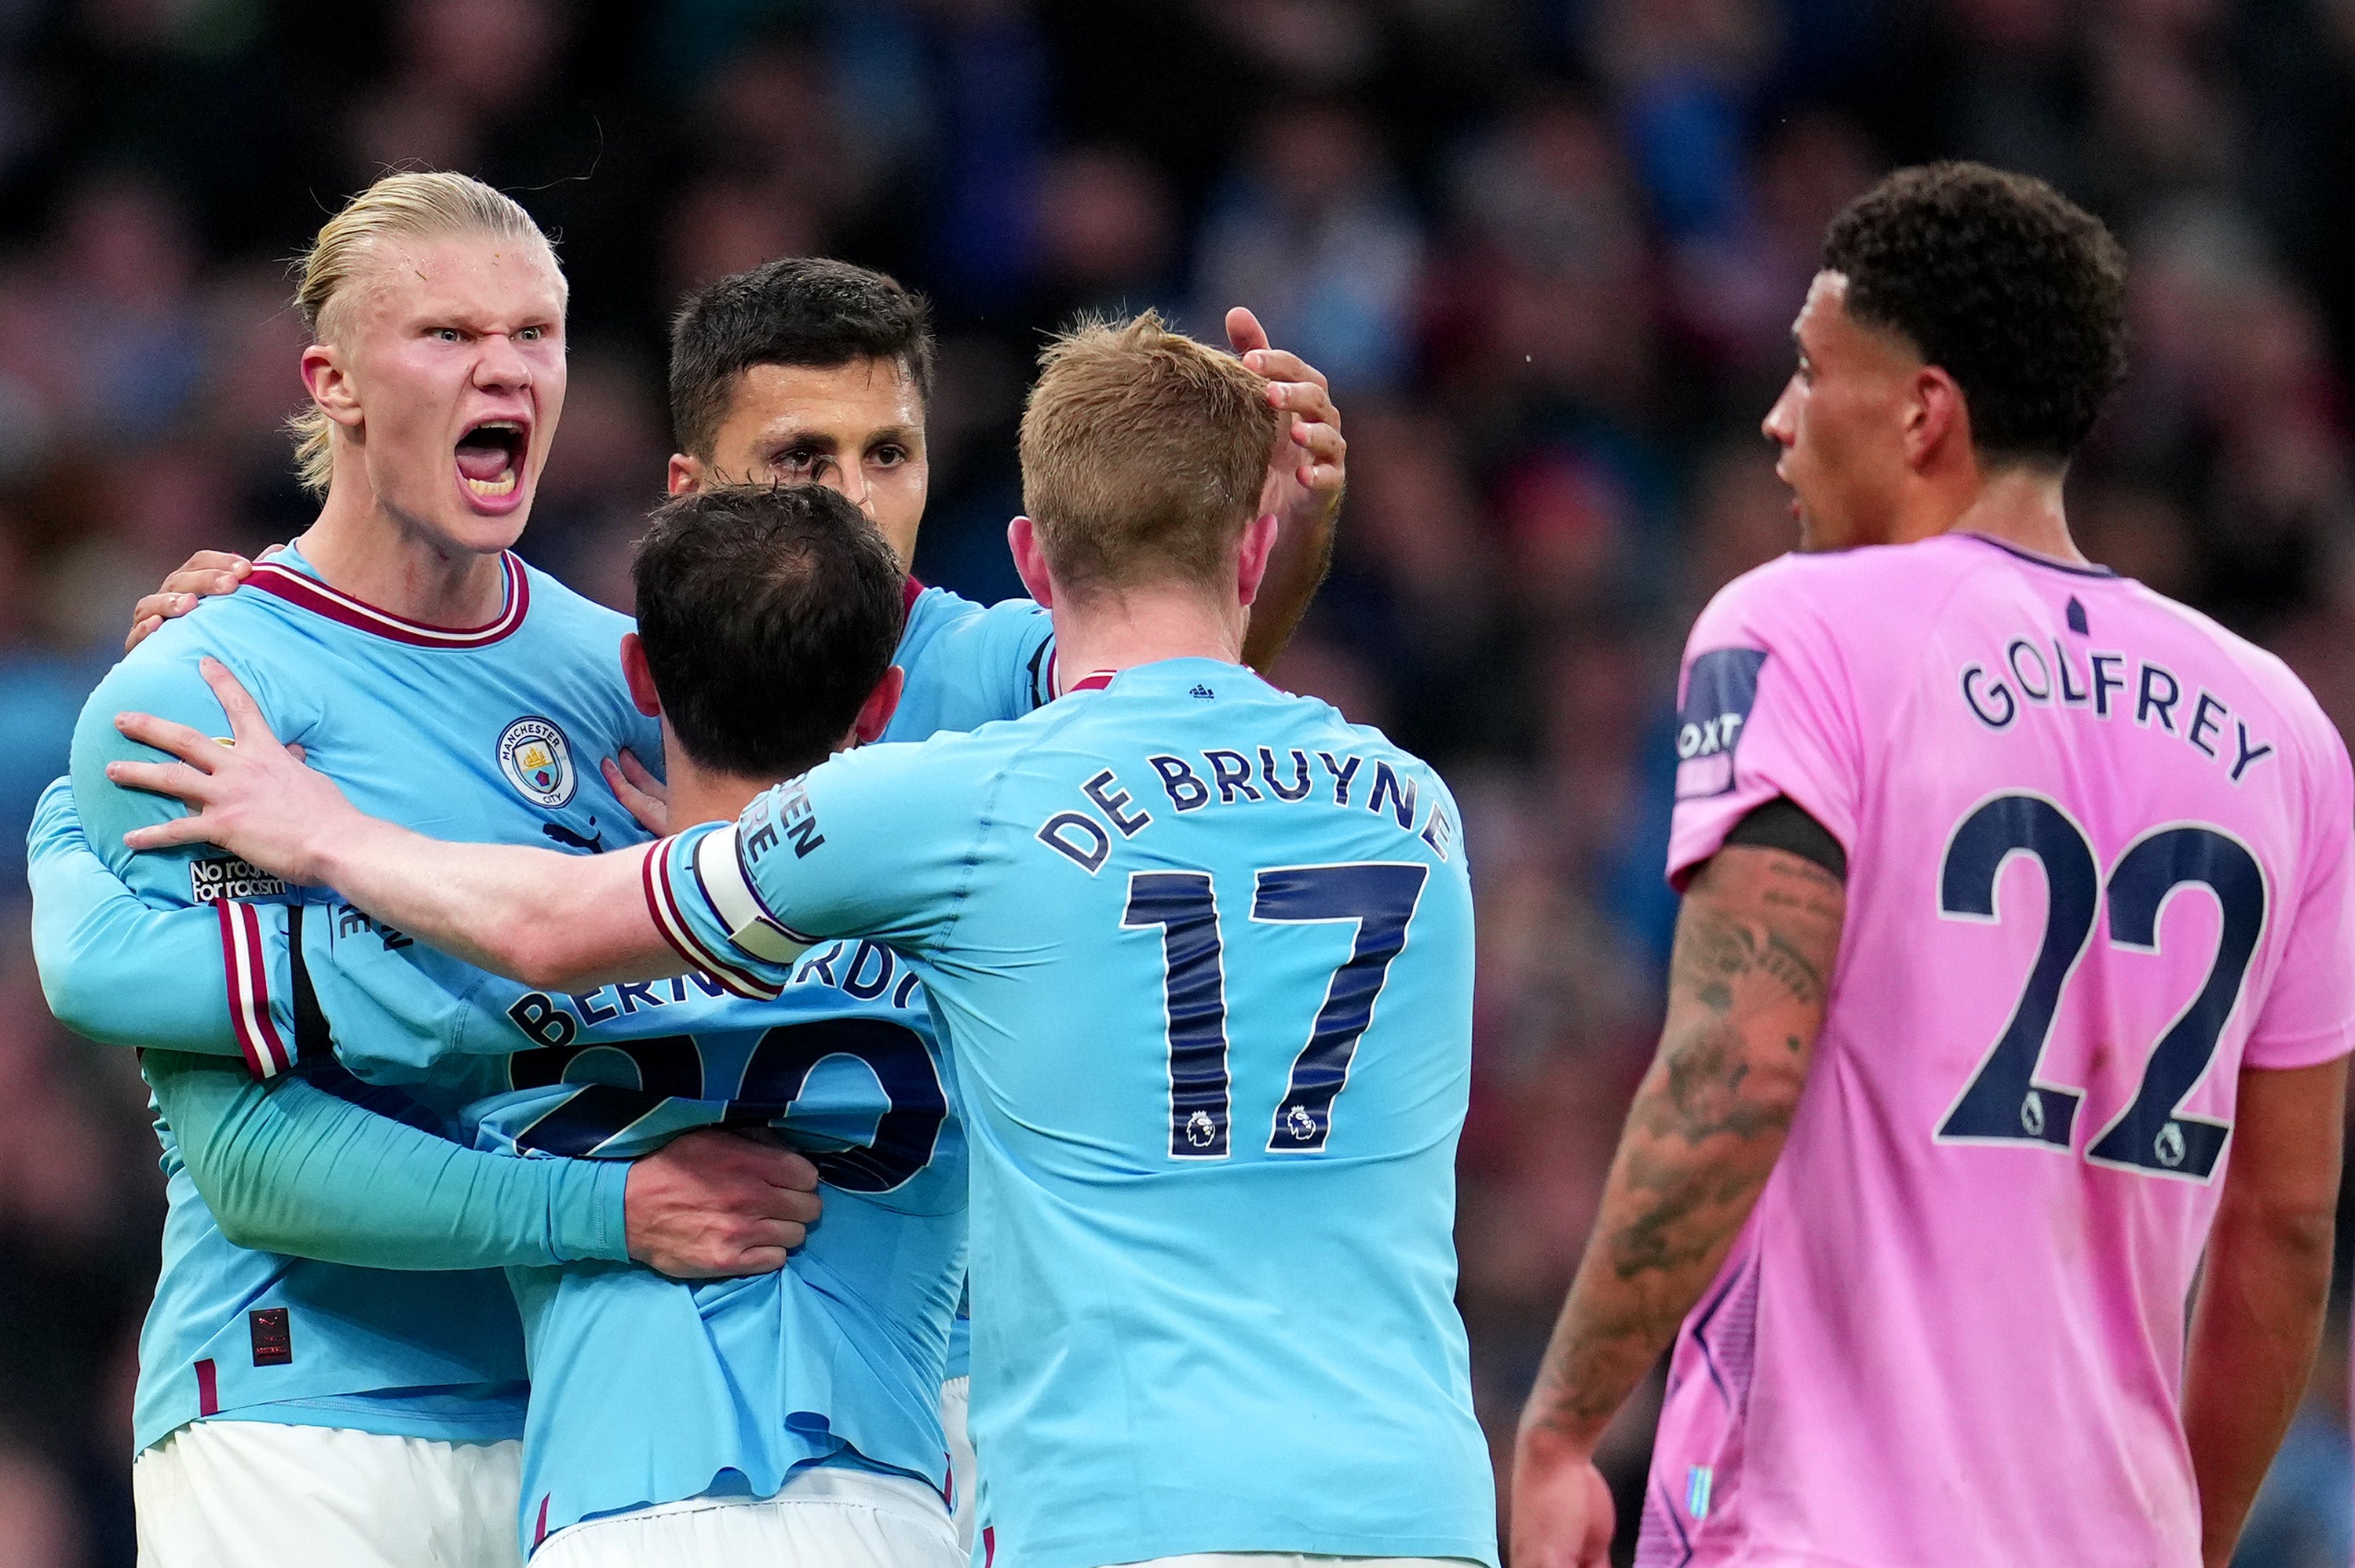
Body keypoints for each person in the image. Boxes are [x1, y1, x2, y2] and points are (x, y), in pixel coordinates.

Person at [104, 312, 1496, 1568]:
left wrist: (297, 802)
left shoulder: (937, 786)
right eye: (803, 457)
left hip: (850, 1484)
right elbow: (1191, 693)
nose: (851, 496)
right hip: (1278, 1479)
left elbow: (533, 935)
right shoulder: (1417, 805)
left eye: (887, 450)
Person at [1507, 162, 2353, 1568]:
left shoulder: (1800, 627)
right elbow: (2287, 1229)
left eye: (1806, 371)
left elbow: (1737, 1064)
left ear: (1922, 411)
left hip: (1816, 1528)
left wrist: (1560, 1424)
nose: (1777, 422)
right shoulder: (2285, 730)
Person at [36, 169, 843, 1568]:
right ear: (332, 381)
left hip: (595, 1412)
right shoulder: (211, 698)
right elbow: (253, 1163)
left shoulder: (622, 679)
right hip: (308, 1413)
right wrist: (609, 1212)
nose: (508, 372)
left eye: (535, 334)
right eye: (450, 337)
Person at [49, 480, 979, 1564]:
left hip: (614, 1512)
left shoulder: (529, 959)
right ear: (884, 704)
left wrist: (80, 825)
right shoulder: (960, 954)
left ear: (637, 678)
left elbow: (136, 1000)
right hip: (896, 1507)